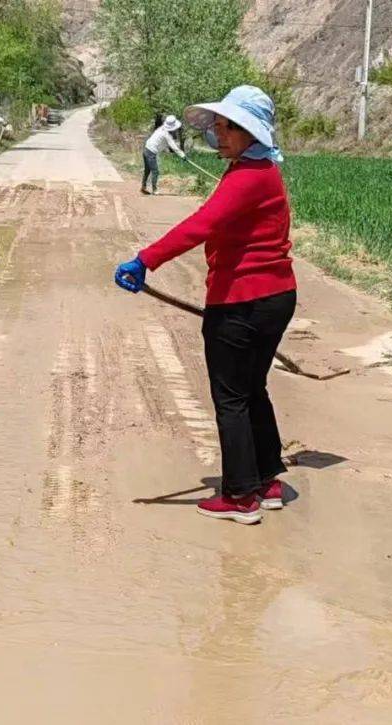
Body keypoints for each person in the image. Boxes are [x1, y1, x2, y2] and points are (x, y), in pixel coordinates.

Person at [114, 86, 296, 526]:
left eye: (227, 125)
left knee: (230, 397)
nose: (218, 131)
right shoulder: (258, 170)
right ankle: (267, 480)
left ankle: (240, 496)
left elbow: (202, 224)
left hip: (242, 303)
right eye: (218, 124)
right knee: (252, 388)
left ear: (250, 132)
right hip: (274, 298)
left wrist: (145, 260)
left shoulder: (248, 177)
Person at [142, 114, 186, 195]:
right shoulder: (167, 135)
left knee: (147, 170)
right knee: (155, 171)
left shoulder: (161, 128)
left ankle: (143, 187)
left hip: (146, 149)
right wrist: (183, 155)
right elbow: (174, 147)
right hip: (151, 152)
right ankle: (154, 190)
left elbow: (166, 144)